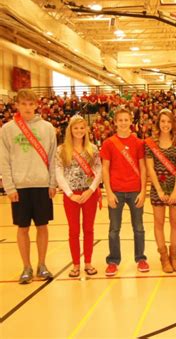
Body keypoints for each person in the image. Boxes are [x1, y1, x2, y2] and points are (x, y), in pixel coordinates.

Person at [0, 89, 57, 284]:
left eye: (30, 104)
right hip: (19, 187)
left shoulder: (48, 128)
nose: (27, 108)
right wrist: (10, 187)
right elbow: (4, 160)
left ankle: (42, 265)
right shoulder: (7, 129)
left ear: (36, 105)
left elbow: (52, 157)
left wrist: (52, 182)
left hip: (42, 185)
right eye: (23, 104)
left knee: (42, 226)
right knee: (22, 228)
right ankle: (26, 267)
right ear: (16, 105)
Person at [100, 107, 149, 276]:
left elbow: (143, 168)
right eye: (120, 120)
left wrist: (143, 191)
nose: (123, 123)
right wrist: (108, 192)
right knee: (114, 229)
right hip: (116, 192)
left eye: (126, 120)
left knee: (139, 227)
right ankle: (113, 261)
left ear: (131, 122)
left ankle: (141, 258)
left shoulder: (138, 143)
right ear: (115, 123)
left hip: (135, 190)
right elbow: (105, 169)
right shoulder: (108, 143)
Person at [56, 115, 102, 277]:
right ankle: (75, 264)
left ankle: (88, 262)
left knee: (88, 229)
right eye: (76, 128)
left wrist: (90, 190)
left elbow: (99, 171)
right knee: (73, 230)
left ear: (86, 130)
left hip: (89, 194)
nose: (79, 131)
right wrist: (69, 194)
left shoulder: (93, 149)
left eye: (82, 128)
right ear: (70, 130)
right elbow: (58, 173)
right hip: (71, 196)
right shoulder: (62, 150)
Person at [145, 109, 176, 273]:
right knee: (159, 223)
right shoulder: (150, 142)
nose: (166, 124)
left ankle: (174, 256)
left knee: (175, 223)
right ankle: (163, 257)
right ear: (158, 123)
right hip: (158, 187)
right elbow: (150, 168)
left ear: (172, 123)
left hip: (175, 185)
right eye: (163, 121)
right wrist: (159, 190)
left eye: (168, 121)